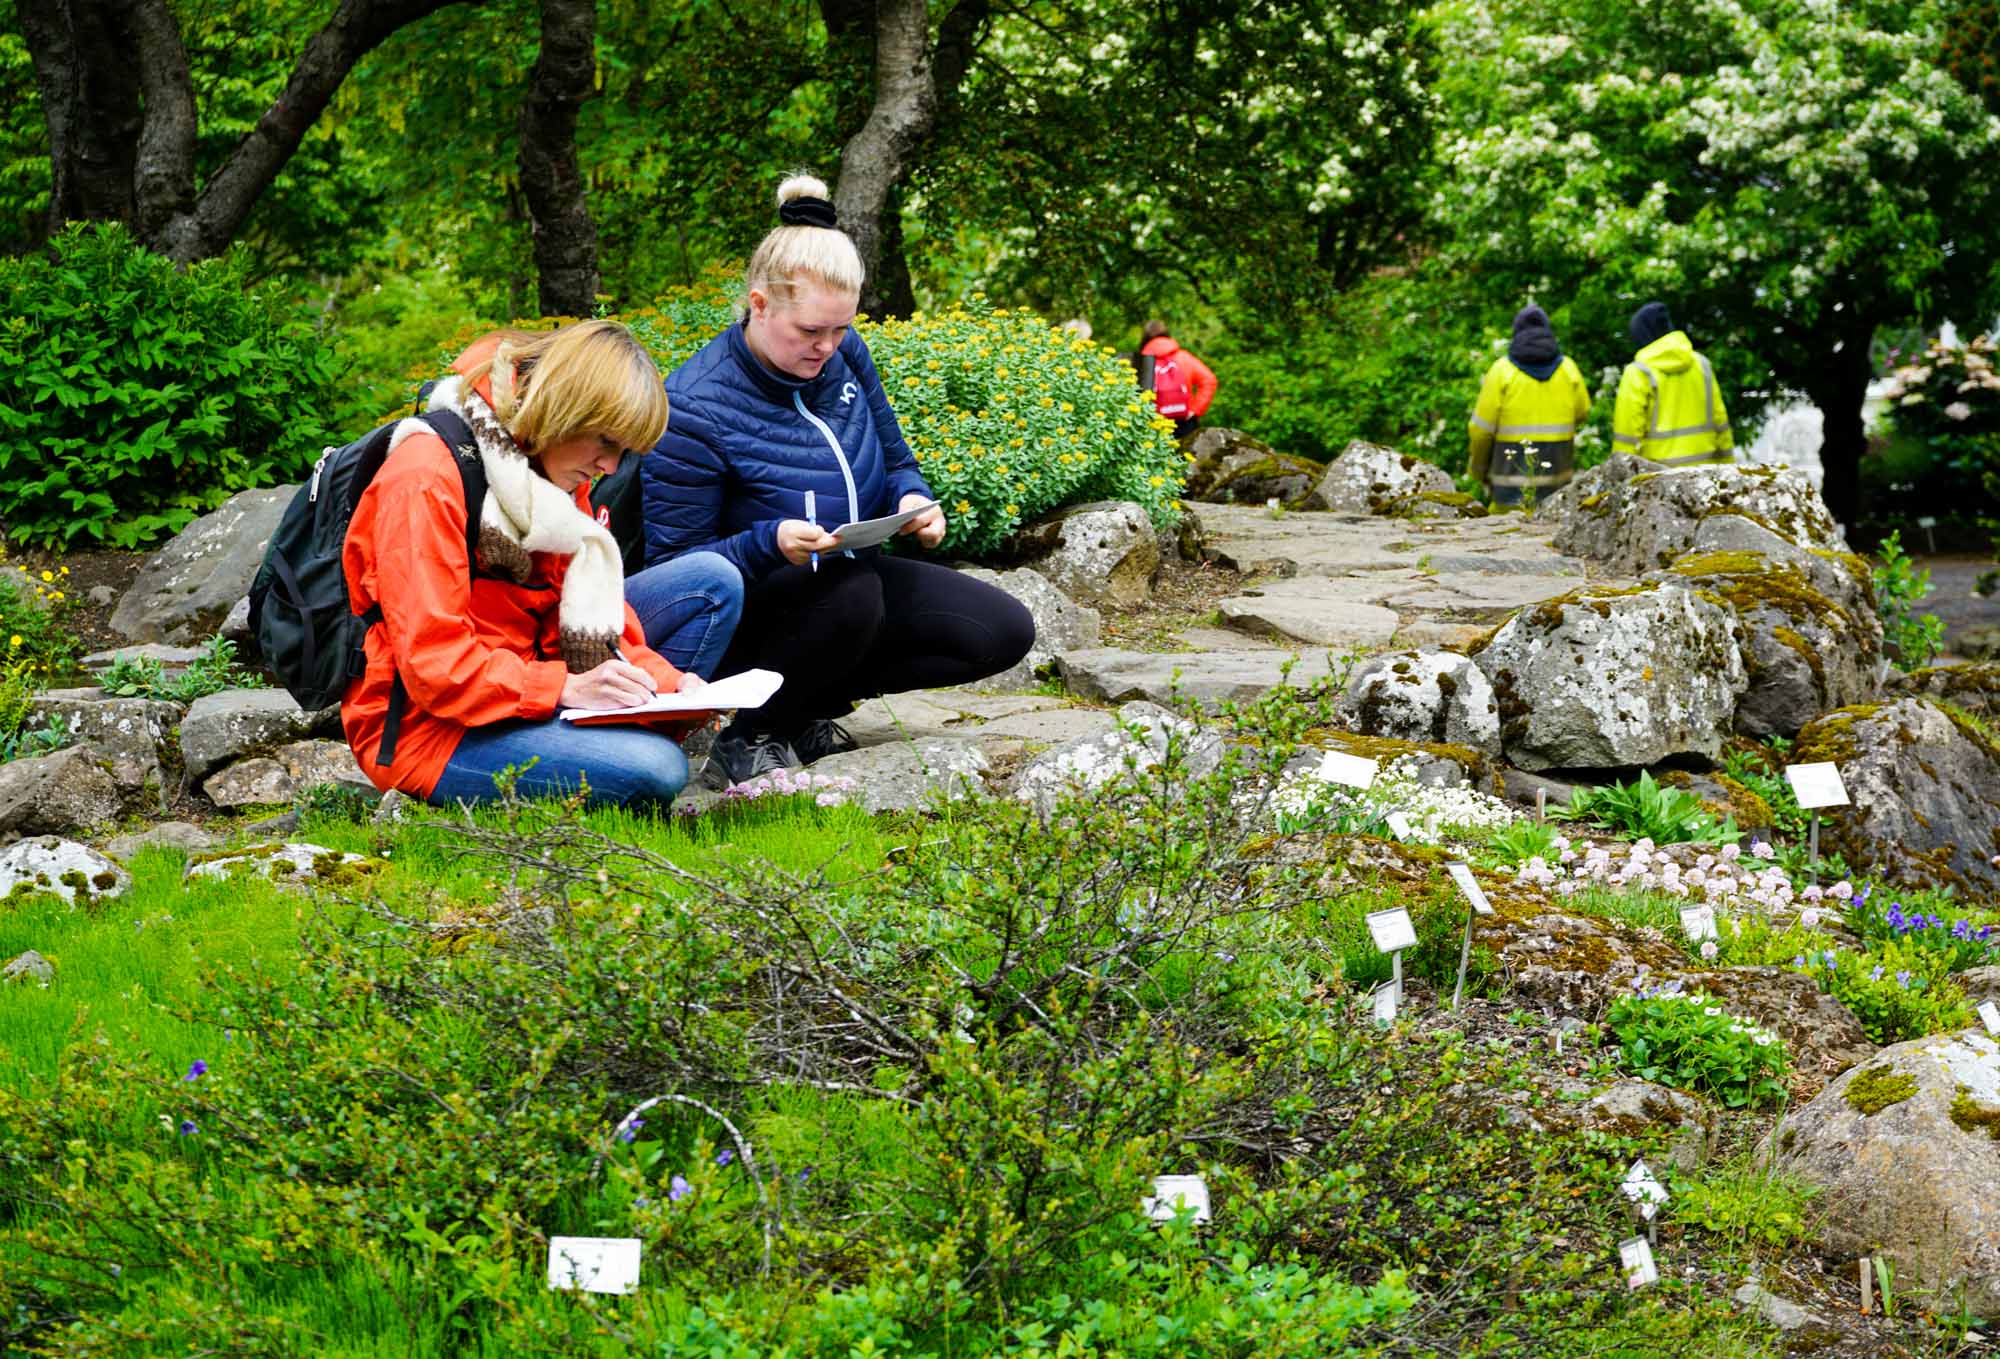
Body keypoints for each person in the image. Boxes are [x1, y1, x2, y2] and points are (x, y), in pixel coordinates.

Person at [639, 173, 1036, 789]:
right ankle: (750, 736)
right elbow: (677, 570)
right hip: (754, 617)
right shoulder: (692, 405)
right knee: (852, 594)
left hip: (848, 589)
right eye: (809, 332)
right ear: (760, 304)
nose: (827, 347)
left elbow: (897, 458)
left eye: (841, 328)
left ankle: (802, 707)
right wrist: (767, 542)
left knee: (1002, 632)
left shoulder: (846, 355)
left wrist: (912, 500)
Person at [342, 319, 743, 809]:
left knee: (711, 584)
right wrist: (566, 688)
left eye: (624, 452)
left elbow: (579, 623)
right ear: (565, 411)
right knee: (658, 769)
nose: (611, 469)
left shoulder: (546, 467)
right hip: (429, 730)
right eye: (606, 443)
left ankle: (609, 747)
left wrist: (672, 685)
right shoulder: (425, 475)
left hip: (524, 689)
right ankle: (614, 757)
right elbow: (434, 665)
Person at [1466, 304, 1592, 506]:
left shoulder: (1501, 371)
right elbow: (1583, 412)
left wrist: (1478, 471)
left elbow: (1480, 431)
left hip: (1508, 488)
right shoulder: (1568, 369)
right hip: (1558, 485)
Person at [1612, 301, 1735, 467]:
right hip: (1705, 472)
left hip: (1658, 476)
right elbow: (1720, 420)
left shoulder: (1638, 372)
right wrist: (1728, 467)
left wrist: (1620, 476)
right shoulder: (1702, 364)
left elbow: (1627, 435)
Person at [1138, 320, 1217, 438]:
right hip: (1185, 421)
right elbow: (1209, 380)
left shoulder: (1143, 362)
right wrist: (1195, 410)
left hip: (1154, 423)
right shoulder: (1183, 357)